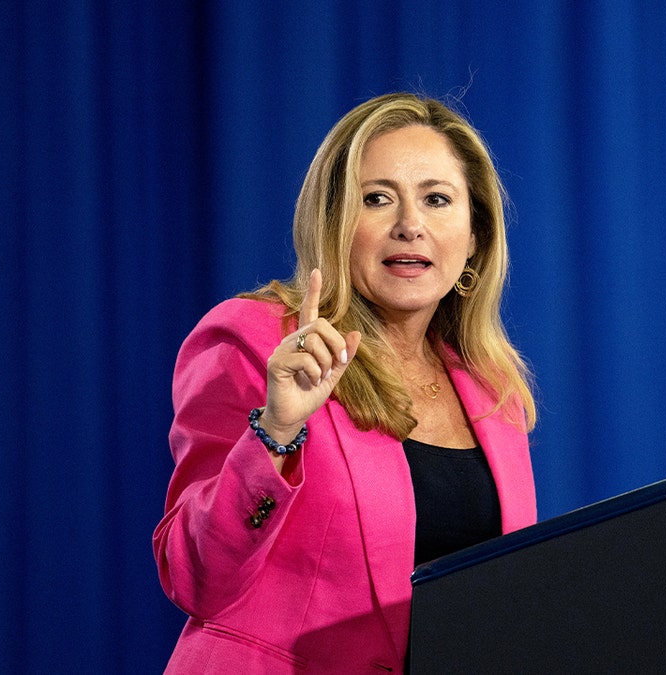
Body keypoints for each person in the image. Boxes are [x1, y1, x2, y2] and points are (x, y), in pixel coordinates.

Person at [153, 92, 537, 673]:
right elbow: (193, 577)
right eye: (377, 199)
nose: (410, 226)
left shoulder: (491, 390)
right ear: (334, 222)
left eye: (437, 200)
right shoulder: (258, 342)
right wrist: (278, 428)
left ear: (476, 236)